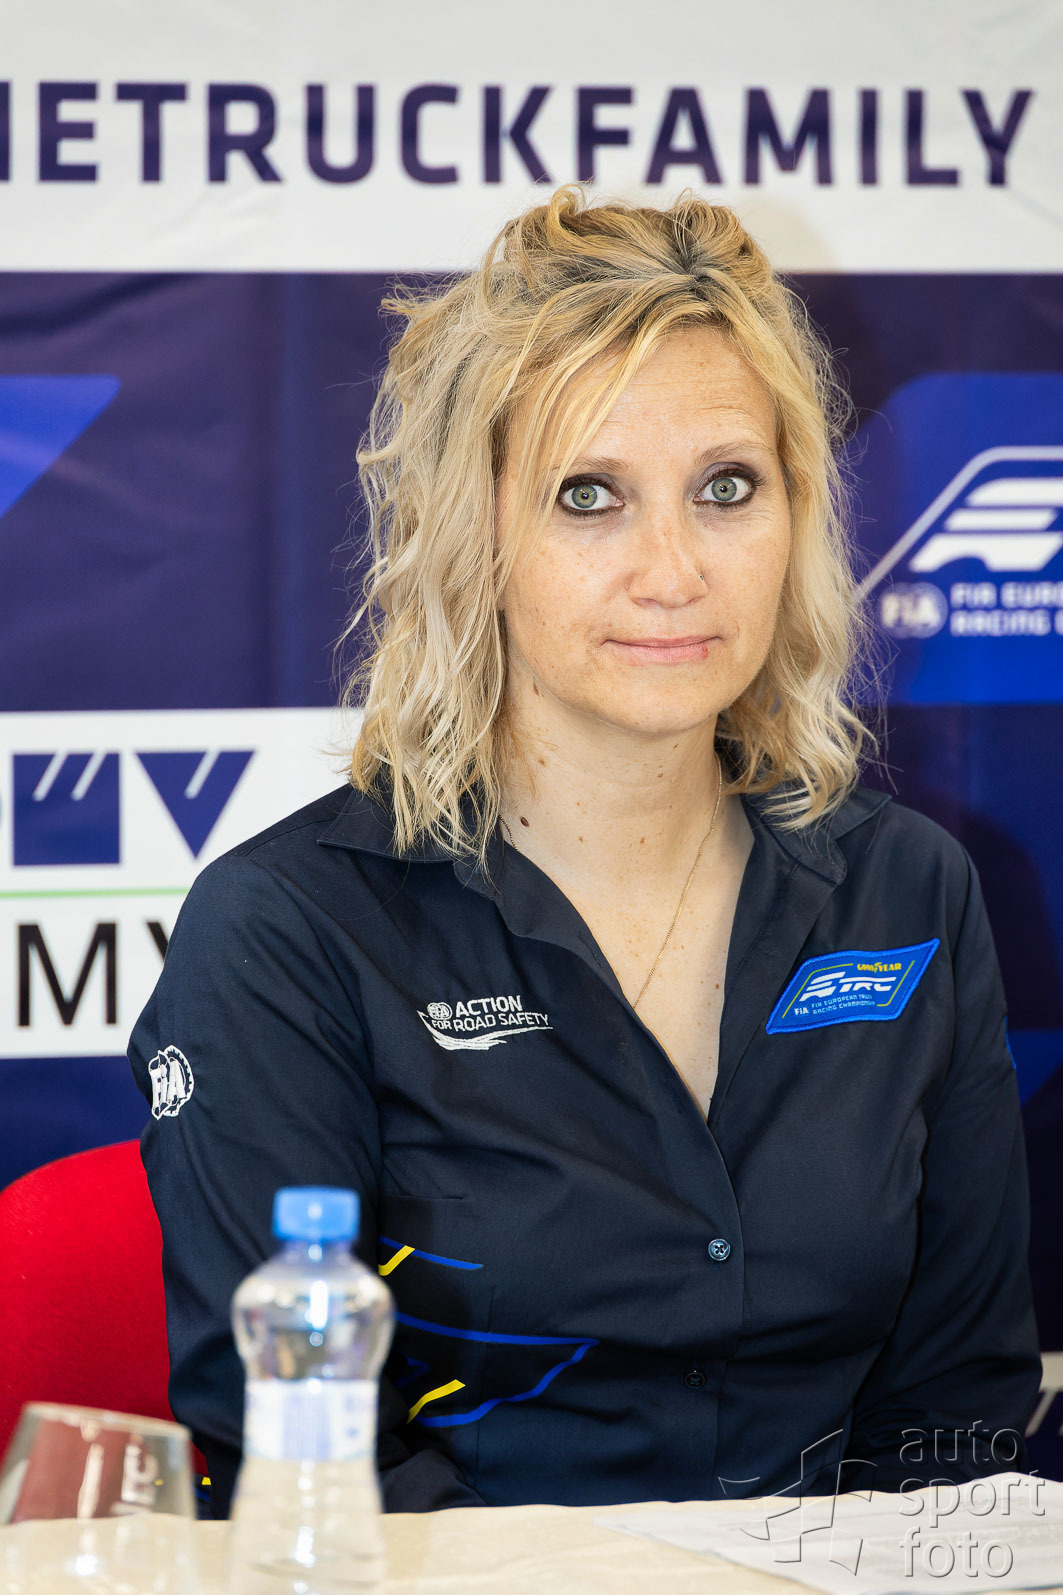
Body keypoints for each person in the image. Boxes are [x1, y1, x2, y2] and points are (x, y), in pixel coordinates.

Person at [128, 184, 1042, 1519]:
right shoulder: (289, 932)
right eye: (589, 496)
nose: (673, 570)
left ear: (796, 513)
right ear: (475, 534)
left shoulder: (910, 891)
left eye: (726, 488)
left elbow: (957, 1408)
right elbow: (303, 1475)